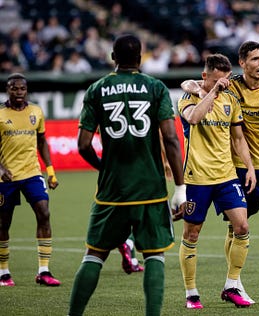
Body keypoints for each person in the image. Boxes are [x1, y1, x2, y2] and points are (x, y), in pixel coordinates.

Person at [67, 34, 186, 316]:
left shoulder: (97, 89)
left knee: (94, 255)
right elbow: (170, 139)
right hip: (151, 190)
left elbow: (83, 145)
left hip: (112, 191)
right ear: (140, 56)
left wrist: (102, 166)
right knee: (155, 254)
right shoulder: (155, 88)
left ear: (113, 57)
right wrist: (180, 187)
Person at [181, 40, 259, 305]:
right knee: (237, 228)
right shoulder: (231, 85)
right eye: (255, 59)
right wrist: (198, 89)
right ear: (243, 63)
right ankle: (234, 283)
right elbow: (192, 84)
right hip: (236, 168)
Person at [177, 53, 256, 309]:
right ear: (204, 77)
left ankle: (232, 285)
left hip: (226, 176)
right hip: (197, 178)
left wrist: (250, 168)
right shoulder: (187, 98)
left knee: (242, 227)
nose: (222, 85)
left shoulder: (231, 101)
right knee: (192, 233)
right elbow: (194, 118)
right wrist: (208, 93)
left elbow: (238, 139)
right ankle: (191, 292)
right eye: (216, 80)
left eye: (225, 80)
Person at [0, 73, 61, 287]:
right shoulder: (0, 114)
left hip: (32, 173)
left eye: (22, 89)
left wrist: (50, 171)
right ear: (7, 89)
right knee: (3, 223)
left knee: (44, 213)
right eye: (14, 88)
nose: (18, 92)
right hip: (5, 178)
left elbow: (42, 141)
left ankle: (44, 271)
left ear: (26, 90)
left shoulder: (36, 111)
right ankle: (4, 273)